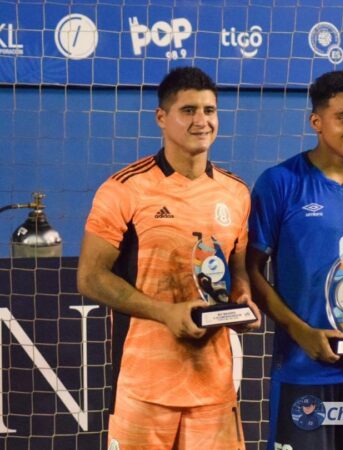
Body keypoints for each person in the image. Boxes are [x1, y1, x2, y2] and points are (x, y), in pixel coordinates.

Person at [77, 66, 261, 449]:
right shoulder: (125, 188)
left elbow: (238, 267)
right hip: (144, 386)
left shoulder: (236, 193)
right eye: (188, 110)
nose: (202, 121)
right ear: (162, 117)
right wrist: (165, 313)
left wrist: (242, 301)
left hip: (214, 387)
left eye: (209, 110)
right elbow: (90, 277)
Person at [246, 70, 343, 450]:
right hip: (303, 370)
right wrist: (300, 331)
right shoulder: (280, 182)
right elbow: (252, 270)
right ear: (316, 122)